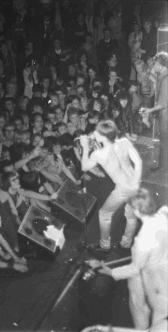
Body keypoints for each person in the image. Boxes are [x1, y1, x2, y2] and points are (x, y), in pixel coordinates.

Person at [96, 188, 168, 330]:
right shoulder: (163, 215)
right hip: (163, 273)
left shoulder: (143, 240)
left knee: (138, 307)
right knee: (160, 314)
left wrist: (110, 272)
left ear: (136, 210)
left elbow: (135, 269)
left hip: (145, 277)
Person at [80, 120, 142, 252]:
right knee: (131, 216)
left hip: (122, 189)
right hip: (134, 184)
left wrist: (85, 148)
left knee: (104, 214)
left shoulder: (98, 154)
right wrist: (135, 182)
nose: (95, 133)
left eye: (97, 131)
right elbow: (138, 162)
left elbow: (84, 166)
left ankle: (104, 245)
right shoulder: (124, 142)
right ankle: (126, 243)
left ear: (103, 136)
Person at [141, 52, 168, 172]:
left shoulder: (166, 79)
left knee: (164, 141)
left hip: (166, 115)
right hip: (164, 114)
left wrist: (149, 110)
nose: (154, 66)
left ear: (161, 65)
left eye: (156, 63)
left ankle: (163, 168)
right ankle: (163, 166)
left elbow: (163, 104)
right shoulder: (162, 76)